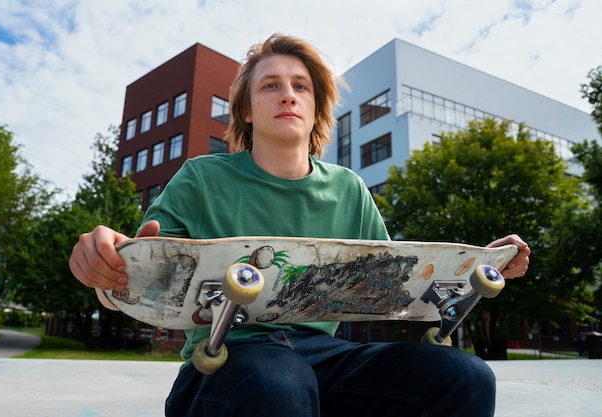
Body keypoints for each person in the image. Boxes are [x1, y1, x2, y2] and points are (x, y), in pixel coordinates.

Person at [69, 34, 531, 417]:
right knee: (280, 379)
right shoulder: (200, 178)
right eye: (270, 85)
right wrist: (104, 260)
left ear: (315, 109)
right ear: (247, 111)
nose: (287, 93)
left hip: (323, 359)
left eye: (300, 87)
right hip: (224, 361)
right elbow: (137, 274)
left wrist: (473, 269)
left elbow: (402, 290)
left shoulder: (349, 189)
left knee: (465, 376)